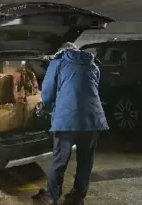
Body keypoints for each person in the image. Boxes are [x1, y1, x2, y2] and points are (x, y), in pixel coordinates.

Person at [32, 42, 109, 205]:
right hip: (93, 119)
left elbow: (47, 93)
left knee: (60, 159)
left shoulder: (58, 63)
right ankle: (78, 196)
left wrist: (44, 107)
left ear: (61, 51)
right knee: (86, 160)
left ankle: (52, 196)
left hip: (67, 119)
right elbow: (93, 88)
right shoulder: (92, 64)